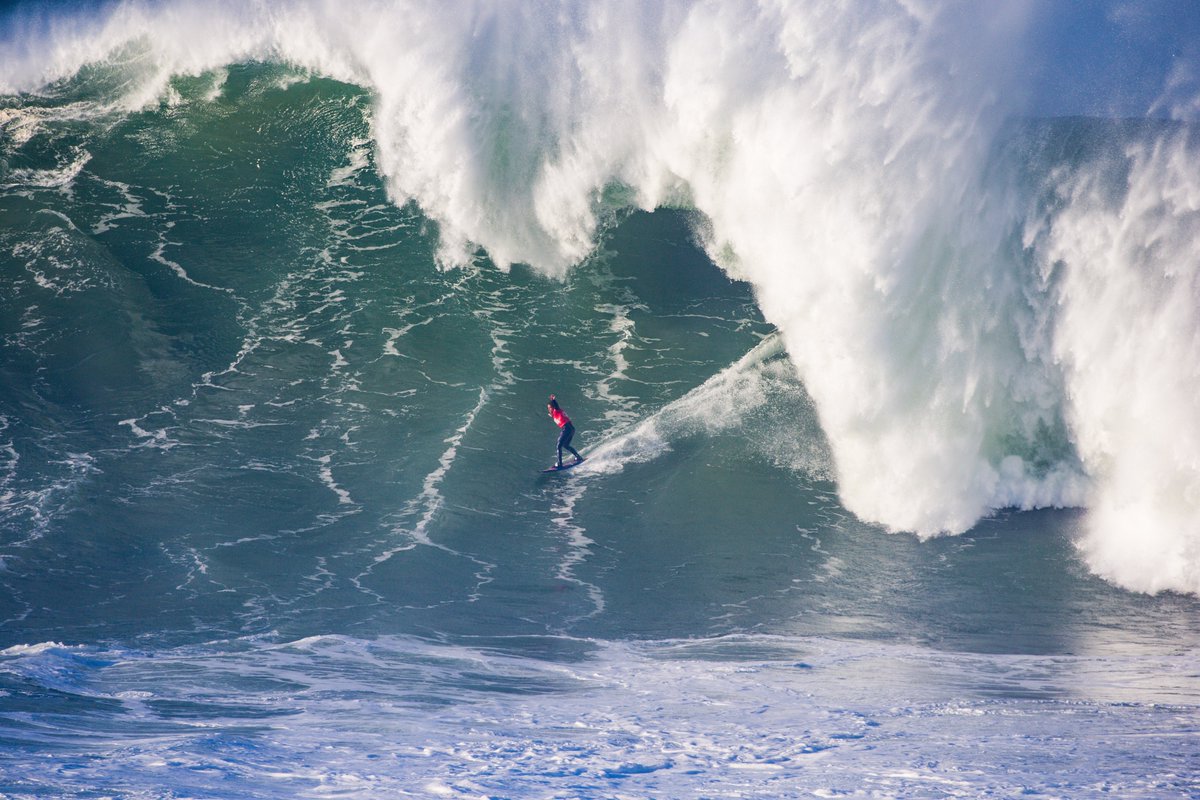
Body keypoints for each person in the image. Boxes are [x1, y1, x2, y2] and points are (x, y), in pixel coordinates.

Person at [547, 394, 583, 468]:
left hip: (566, 428)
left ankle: (559, 464)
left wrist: (553, 400)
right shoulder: (555, 413)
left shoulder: (557, 410)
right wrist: (552, 415)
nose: (549, 409)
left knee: (559, 445)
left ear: (553, 407)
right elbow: (556, 416)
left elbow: (556, 406)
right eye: (548, 408)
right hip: (571, 429)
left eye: (550, 407)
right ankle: (578, 457)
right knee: (565, 445)